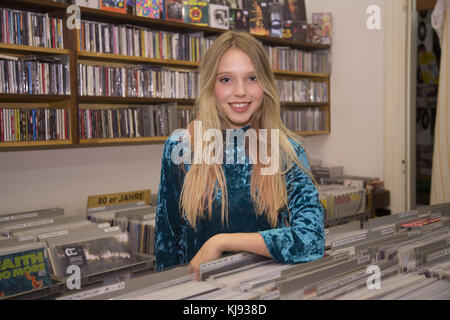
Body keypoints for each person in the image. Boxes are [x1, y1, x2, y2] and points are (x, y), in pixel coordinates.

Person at [155, 31, 324, 280]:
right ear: (211, 85)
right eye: (226, 79)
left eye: (252, 78)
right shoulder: (181, 148)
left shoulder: (286, 151)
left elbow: (311, 239)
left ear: (265, 84)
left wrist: (222, 242)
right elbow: (167, 247)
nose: (241, 91)